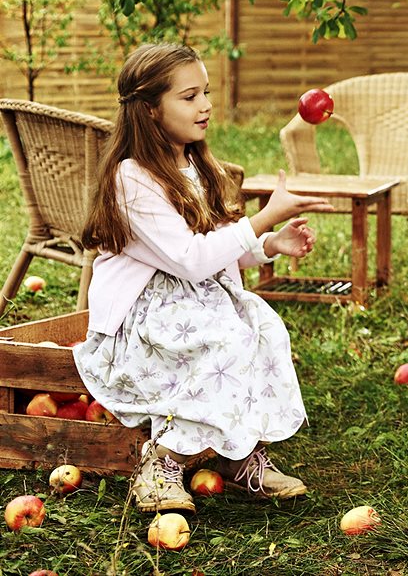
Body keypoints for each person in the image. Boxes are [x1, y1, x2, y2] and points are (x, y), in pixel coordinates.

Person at [75, 43, 335, 514]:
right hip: (143, 315)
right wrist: (260, 220)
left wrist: (269, 243)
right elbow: (192, 258)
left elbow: (214, 244)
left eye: (206, 93)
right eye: (190, 96)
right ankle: (163, 463)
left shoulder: (192, 165)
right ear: (151, 111)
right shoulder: (132, 178)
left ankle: (241, 455)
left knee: (263, 328)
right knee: (224, 341)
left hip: (194, 298)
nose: (206, 105)